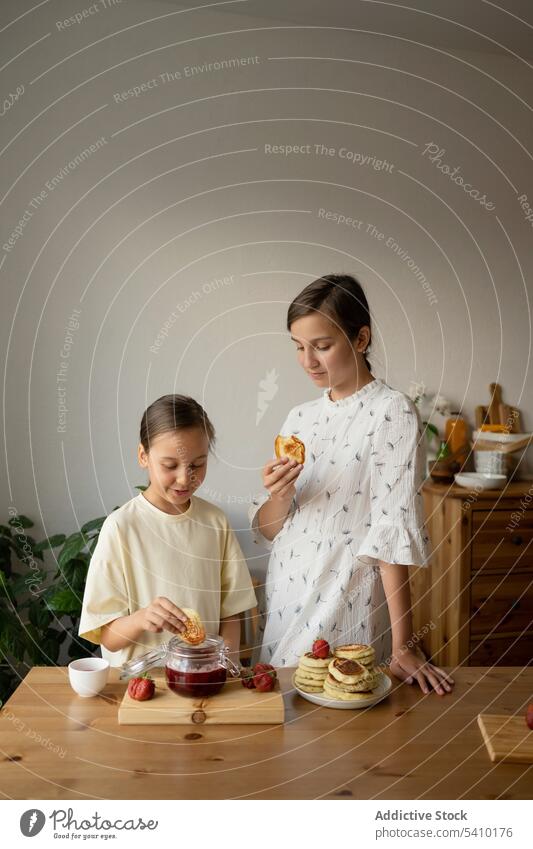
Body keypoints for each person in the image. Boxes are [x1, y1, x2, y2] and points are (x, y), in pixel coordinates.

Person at [250, 274, 454, 696]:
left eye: (322, 346)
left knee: (336, 723)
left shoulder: (392, 412)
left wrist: (404, 646)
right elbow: (271, 530)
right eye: (298, 346)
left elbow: (390, 530)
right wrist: (279, 495)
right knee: (282, 722)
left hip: (346, 596)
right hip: (287, 594)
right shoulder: (299, 419)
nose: (308, 360)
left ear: (361, 339)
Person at [79, 394, 257, 666]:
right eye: (170, 465)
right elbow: (106, 635)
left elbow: (231, 613)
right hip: (143, 689)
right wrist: (141, 618)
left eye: (197, 464)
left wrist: (224, 665)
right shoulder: (120, 528)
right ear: (143, 456)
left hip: (204, 680)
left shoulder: (214, 522)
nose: (185, 478)